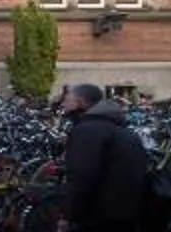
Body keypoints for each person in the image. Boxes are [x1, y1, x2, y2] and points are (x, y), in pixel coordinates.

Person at [58, 83, 155, 231]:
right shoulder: (119, 129)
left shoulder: (87, 131)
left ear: (80, 102)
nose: (62, 103)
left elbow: (81, 177)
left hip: (98, 215)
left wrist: (68, 216)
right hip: (127, 213)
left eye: (66, 98)